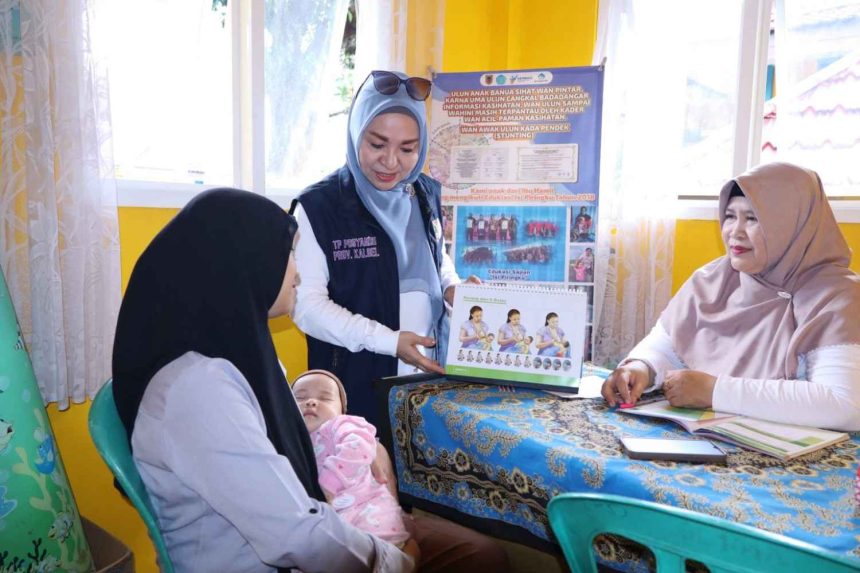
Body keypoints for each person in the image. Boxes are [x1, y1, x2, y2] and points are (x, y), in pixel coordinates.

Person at [111, 189, 415, 572]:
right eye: (289, 254)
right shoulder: (198, 390)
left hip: (308, 529)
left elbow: (292, 445)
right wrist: (396, 562)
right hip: (273, 558)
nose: (298, 272)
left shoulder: (236, 352)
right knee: (475, 555)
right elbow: (294, 534)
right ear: (243, 262)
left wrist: (370, 446)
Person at [601, 163, 860, 432]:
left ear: (792, 226)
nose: (735, 231)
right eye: (729, 216)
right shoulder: (714, 279)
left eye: (752, 218)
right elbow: (668, 345)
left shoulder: (837, 295)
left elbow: (844, 406)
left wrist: (715, 391)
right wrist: (642, 367)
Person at [291, 70, 479, 426]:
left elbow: (434, 257)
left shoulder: (423, 192)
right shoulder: (320, 207)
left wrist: (453, 287)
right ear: (355, 132)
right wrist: (388, 341)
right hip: (354, 385)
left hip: (426, 382)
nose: (391, 162)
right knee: (360, 475)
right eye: (377, 144)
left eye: (407, 149)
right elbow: (305, 306)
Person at [292, 370, 420, 563]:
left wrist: (328, 485)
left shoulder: (341, 426)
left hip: (368, 512)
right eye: (300, 397)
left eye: (325, 398)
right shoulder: (290, 438)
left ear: (342, 410)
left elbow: (358, 446)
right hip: (332, 520)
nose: (311, 402)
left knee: (374, 556)